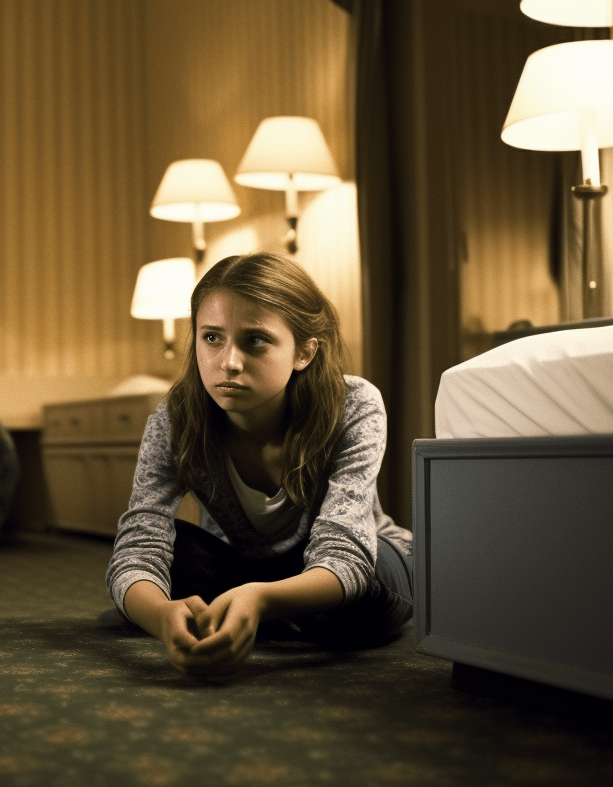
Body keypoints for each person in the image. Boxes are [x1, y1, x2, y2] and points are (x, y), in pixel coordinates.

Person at [105, 252, 412, 676]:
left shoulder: (354, 405)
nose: (228, 362)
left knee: (363, 590)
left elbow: (346, 554)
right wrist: (160, 616)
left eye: (256, 340)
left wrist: (261, 599)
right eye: (212, 338)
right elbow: (138, 547)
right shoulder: (176, 419)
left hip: (356, 565)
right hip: (244, 565)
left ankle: (259, 611)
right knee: (169, 555)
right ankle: (261, 613)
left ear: (304, 352)